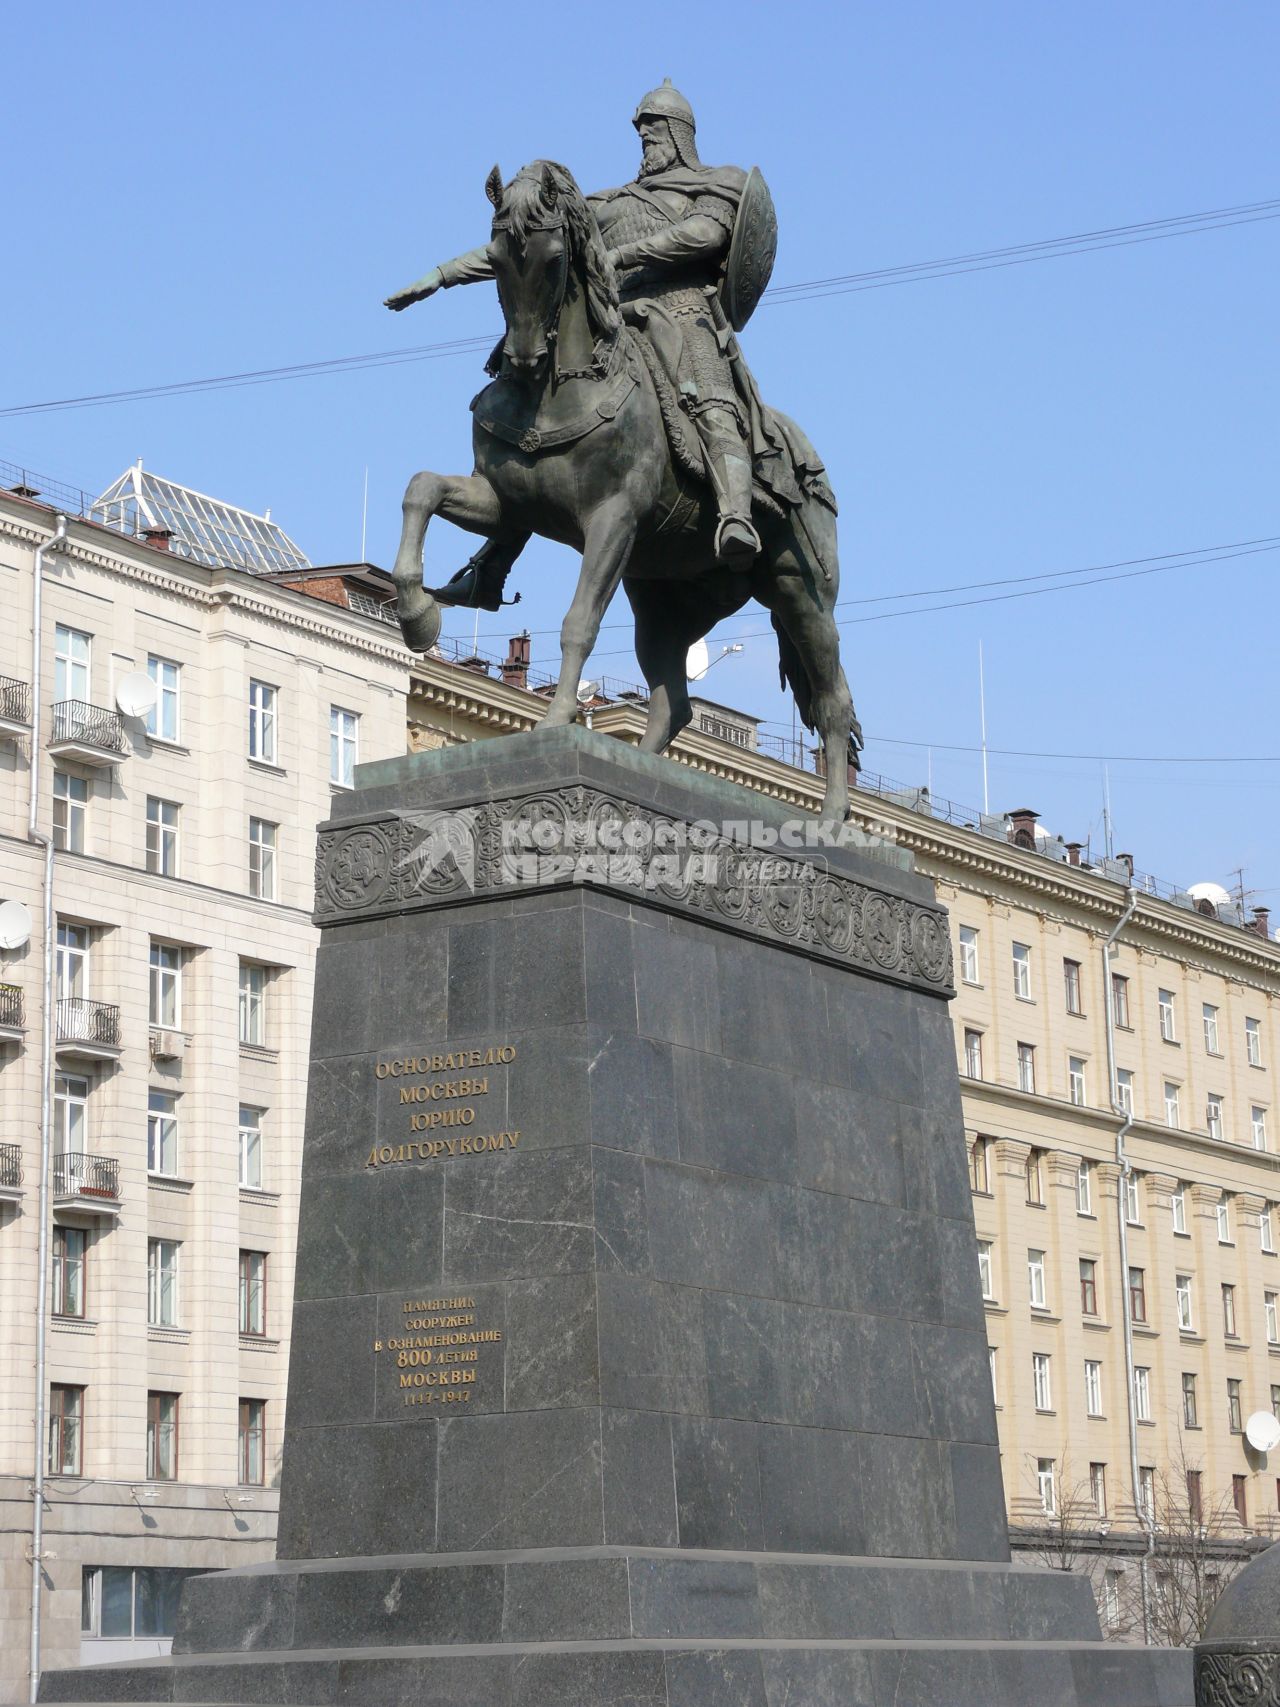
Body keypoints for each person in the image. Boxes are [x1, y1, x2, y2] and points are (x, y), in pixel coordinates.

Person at [386, 81, 772, 605]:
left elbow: (703, 236)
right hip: (615, 313)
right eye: (640, 135)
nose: (645, 143)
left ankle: (734, 517)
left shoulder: (717, 183)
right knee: (538, 419)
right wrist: (442, 274)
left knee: (711, 399)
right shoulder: (608, 202)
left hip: (684, 312)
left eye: (654, 132)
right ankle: (490, 567)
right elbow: (528, 244)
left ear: (679, 134)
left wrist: (625, 255)